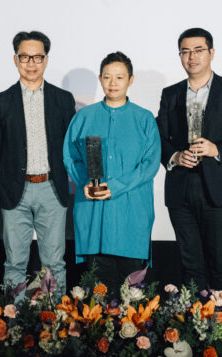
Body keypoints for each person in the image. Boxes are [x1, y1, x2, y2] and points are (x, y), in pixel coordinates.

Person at [156, 28, 222, 291]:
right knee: (189, 264)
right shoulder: (170, 94)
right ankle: (193, 314)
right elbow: (159, 138)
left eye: (198, 50)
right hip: (181, 187)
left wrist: (217, 149)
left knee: (220, 263)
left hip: (219, 188)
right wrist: (174, 156)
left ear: (211, 53)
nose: (191, 57)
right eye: (185, 51)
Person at [63, 52, 161, 295]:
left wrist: (115, 186)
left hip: (132, 212)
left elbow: (150, 164)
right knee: (98, 290)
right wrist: (84, 181)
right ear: (100, 79)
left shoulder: (144, 118)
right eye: (107, 77)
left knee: (133, 293)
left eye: (119, 77)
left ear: (131, 80)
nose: (113, 83)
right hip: (94, 210)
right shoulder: (84, 117)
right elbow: (71, 156)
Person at [0, 30, 76, 296]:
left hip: (51, 187)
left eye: (37, 57)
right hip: (15, 189)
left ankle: (57, 317)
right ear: (16, 60)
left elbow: (69, 144)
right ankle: (15, 319)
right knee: (15, 263)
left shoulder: (63, 99)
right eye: (25, 57)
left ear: (46, 60)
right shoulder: (1, 102)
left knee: (54, 263)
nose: (31, 63)